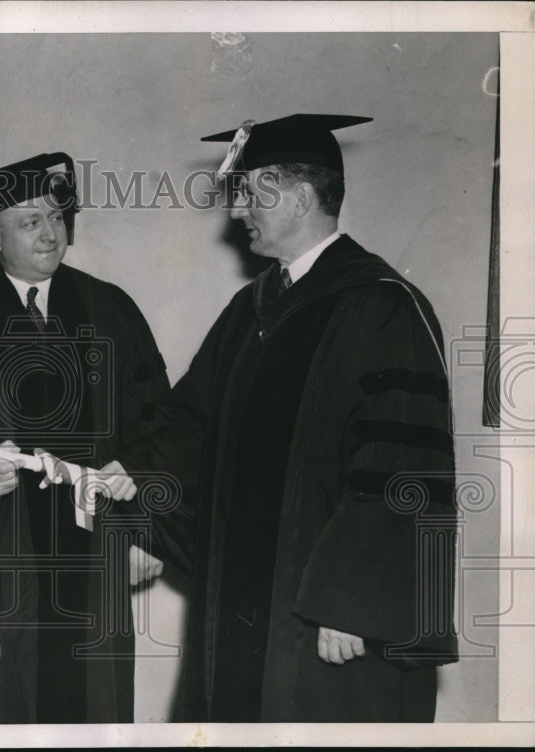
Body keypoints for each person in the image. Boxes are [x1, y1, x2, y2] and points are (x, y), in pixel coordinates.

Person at [105, 114, 459, 722]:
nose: (238, 210)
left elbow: (401, 465)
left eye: (252, 192)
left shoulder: (381, 306)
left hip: (328, 616)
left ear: (298, 198)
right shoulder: (253, 308)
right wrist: (131, 473)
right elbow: (192, 419)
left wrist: (350, 600)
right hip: (247, 604)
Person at [0, 153, 170, 723]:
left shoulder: (110, 308)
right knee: (0, 703)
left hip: (97, 550)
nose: (51, 231)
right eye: (30, 221)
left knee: (92, 702)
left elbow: (156, 427)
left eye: (56, 216)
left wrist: (148, 534)